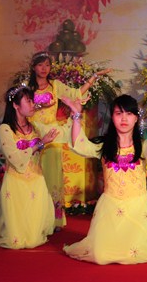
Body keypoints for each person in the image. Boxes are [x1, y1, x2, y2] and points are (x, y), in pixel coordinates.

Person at [61, 94, 147, 264]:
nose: (124, 118)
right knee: (100, 255)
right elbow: (80, 145)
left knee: (138, 250)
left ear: (135, 118)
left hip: (139, 210)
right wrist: (77, 116)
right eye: (118, 113)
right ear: (112, 117)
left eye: (129, 114)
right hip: (110, 209)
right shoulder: (104, 147)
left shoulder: (142, 146)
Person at [28, 51, 111, 231]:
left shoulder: (55, 86)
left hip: (52, 136)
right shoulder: (27, 88)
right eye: (40, 65)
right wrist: (39, 106)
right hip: (33, 135)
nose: (44, 68)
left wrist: (94, 77)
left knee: (52, 177)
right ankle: (34, 218)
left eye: (47, 65)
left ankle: (54, 219)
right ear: (34, 67)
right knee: (34, 177)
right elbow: (22, 109)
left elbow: (76, 93)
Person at [0, 85, 59, 249]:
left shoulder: (35, 127)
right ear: (16, 105)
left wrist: (75, 114)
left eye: (32, 101)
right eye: (28, 101)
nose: (32, 105)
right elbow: (15, 158)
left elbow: (55, 134)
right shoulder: (5, 129)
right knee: (16, 241)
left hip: (36, 179)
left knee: (33, 239)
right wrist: (40, 144)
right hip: (16, 181)